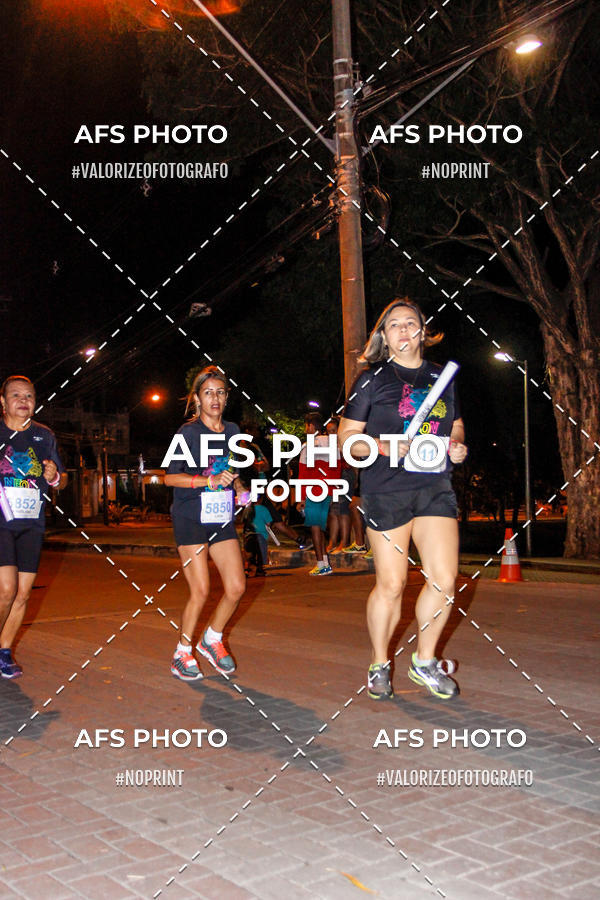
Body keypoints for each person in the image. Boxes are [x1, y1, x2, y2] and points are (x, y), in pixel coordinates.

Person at [338, 298, 468, 701]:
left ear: (423, 331)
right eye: (394, 325)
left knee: (445, 580)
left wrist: (458, 445)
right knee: (392, 584)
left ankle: (424, 661)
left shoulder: (442, 377)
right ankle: (379, 662)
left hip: (434, 487)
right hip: (387, 488)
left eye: (411, 323)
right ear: (384, 336)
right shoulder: (371, 380)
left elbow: (456, 423)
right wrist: (380, 447)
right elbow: (346, 441)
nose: (404, 330)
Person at [164, 366, 246, 682]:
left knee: (237, 586)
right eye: (208, 392)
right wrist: (206, 481)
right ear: (197, 398)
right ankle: (181, 652)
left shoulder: (233, 430)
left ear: (227, 398)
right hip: (189, 517)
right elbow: (171, 476)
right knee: (200, 590)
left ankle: (212, 638)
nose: (215, 398)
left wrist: (238, 489)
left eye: (221, 392)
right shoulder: (188, 433)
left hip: (220, 516)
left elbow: (232, 470)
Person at [0, 375, 66, 679]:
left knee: (24, 594)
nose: (23, 401)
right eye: (16, 396)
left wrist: (53, 476)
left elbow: (61, 481)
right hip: (1, 521)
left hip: (32, 523)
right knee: (6, 589)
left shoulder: (44, 436)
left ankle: (4, 651)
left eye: (29, 396)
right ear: (3, 402)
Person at [298, 412, 341, 575]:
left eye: (306, 425)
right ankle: (325, 562)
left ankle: (321, 564)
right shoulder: (332, 443)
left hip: (313, 490)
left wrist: (301, 497)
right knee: (320, 527)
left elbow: (303, 473)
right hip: (328, 489)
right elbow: (336, 468)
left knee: (315, 528)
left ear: (311, 426)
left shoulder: (307, 445)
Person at [325, 417, 351, 554]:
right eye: (329, 432)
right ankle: (332, 541)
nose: (331, 434)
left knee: (342, 508)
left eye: (334, 431)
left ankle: (344, 542)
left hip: (345, 474)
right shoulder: (328, 444)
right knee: (333, 511)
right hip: (333, 476)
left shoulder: (345, 441)